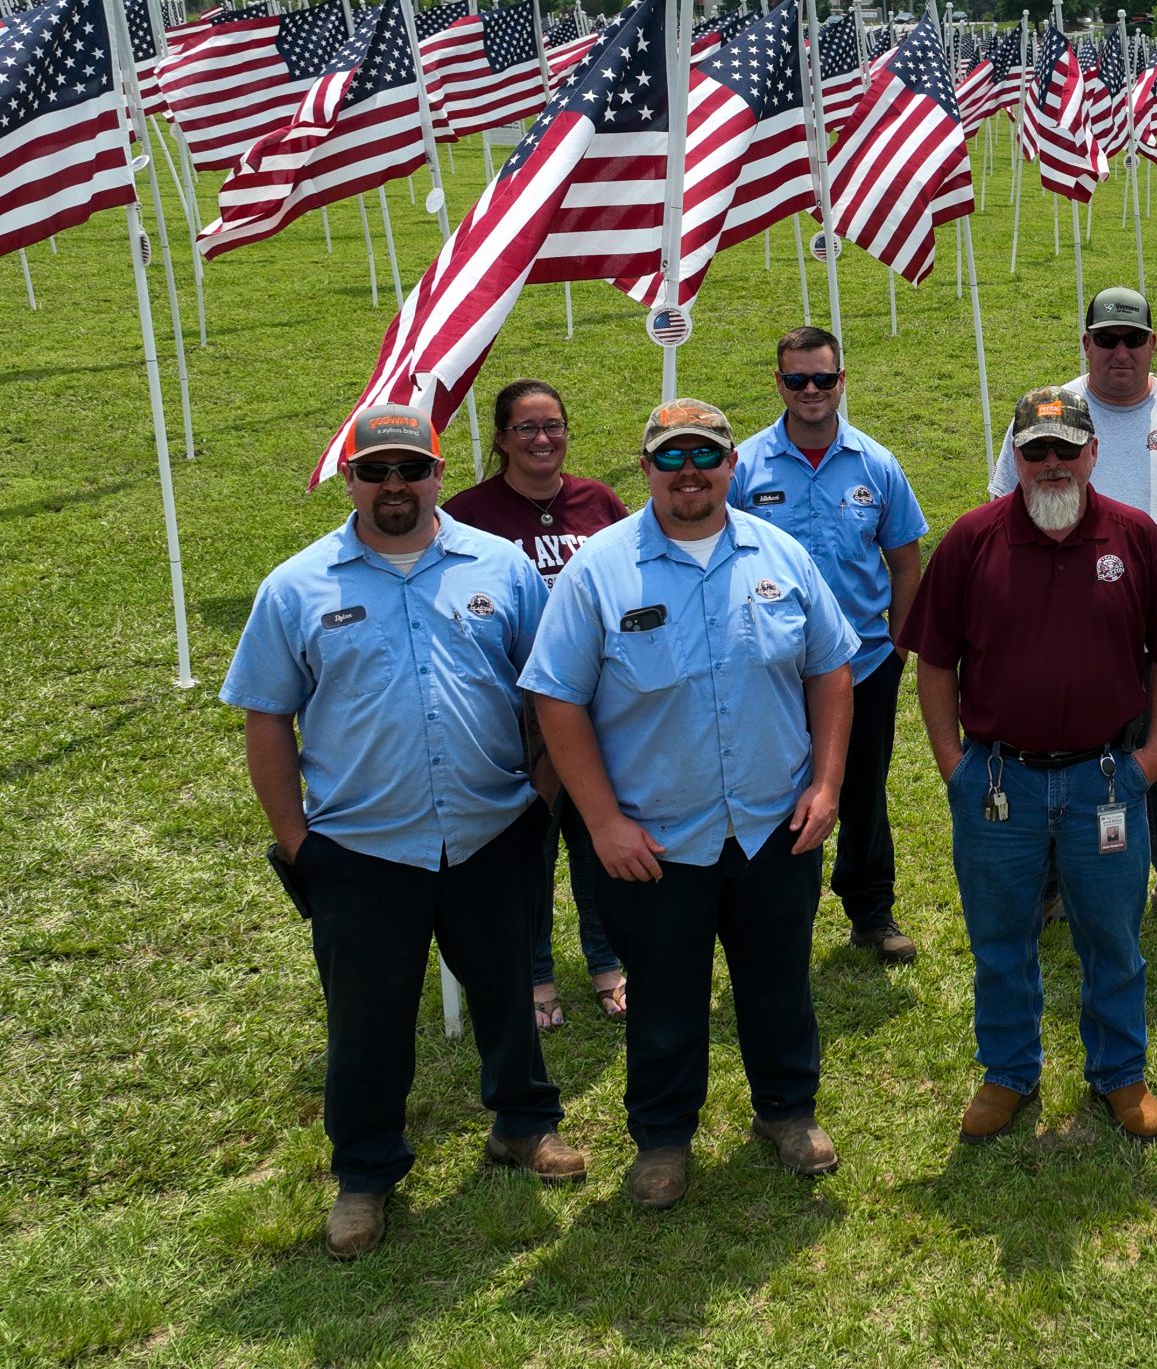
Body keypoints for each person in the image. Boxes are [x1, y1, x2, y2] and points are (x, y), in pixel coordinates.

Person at [222, 406, 582, 1259]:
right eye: (375, 471)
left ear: (436, 473)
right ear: (348, 478)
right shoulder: (296, 587)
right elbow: (268, 718)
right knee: (367, 1021)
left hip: (492, 832)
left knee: (507, 994)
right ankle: (365, 1174)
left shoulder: (500, 567)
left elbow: (551, 690)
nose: (394, 487)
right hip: (361, 850)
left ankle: (524, 1125)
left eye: (410, 470)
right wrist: (298, 840)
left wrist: (540, 794)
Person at [521, 399, 857, 1210]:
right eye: (670, 459)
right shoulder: (600, 571)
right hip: (656, 839)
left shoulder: (780, 555)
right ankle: (663, 1138)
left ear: (732, 466)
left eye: (705, 455)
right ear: (645, 471)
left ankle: (787, 1111)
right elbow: (557, 701)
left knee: (778, 981)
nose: (690, 473)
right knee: (665, 996)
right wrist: (601, 821)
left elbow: (831, 669)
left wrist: (827, 784)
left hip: (774, 824)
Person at [902, 387, 1157, 1145]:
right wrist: (952, 763)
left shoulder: (1135, 539)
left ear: (1094, 452)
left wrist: (1155, 753)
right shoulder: (972, 541)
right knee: (1002, 938)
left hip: (1105, 780)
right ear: (1016, 457)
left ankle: (1121, 1074)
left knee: (1112, 938)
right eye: (1036, 450)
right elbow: (933, 660)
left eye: (1068, 447)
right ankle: (1008, 1073)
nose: (1053, 463)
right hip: (999, 784)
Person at [990, 288, 1157, 941]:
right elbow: (1004, 510)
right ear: (1086, 345)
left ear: (1153, 344)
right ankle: (1050, 890)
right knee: (1061, 762)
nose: (1120, 351)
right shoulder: (1048, 412)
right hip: (1067, 640)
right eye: (1106, 339)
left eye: (1133, 339)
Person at [729, 326, 930, 963]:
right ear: (779, 383)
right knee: (780, 791)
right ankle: (781, 915)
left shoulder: (876, 465)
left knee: (862, 791)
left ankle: (872, 911)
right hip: (776, 669)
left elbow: (904, 561)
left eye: (823, 378)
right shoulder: (745, 467)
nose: (811, 391)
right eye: (797, 380)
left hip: (864, 664)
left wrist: (897, 648)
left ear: (842, 380)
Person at [442, 379, 632, 1032]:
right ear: (500, 439)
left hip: (598, 709)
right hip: (513, 715)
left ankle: (607, 963)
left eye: (553, 425)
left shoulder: (599, 502)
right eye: (526, 428)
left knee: (597, 838)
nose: (542, 438)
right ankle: (535, 973)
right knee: (528, 849)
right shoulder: (469, 513)